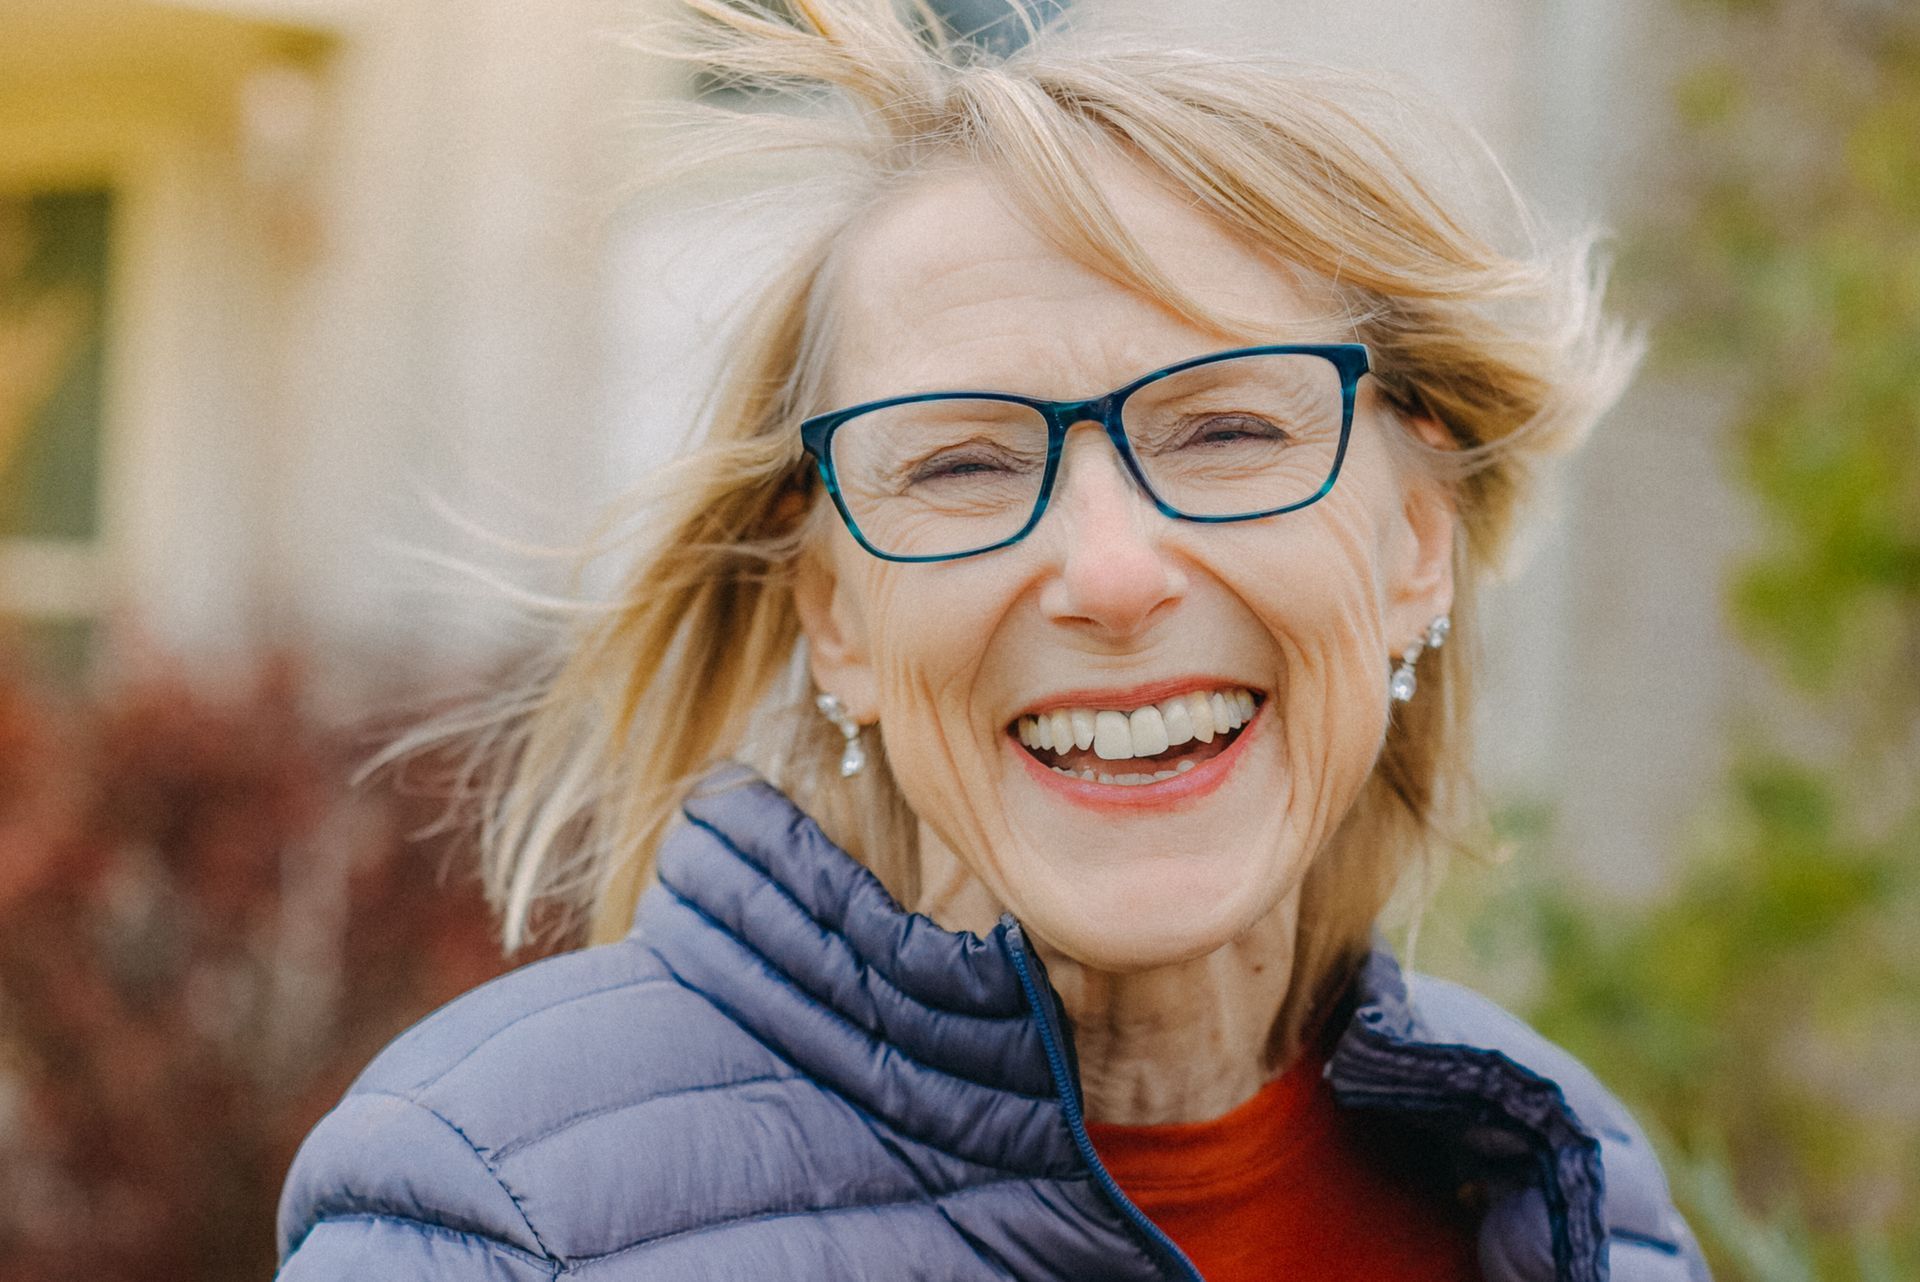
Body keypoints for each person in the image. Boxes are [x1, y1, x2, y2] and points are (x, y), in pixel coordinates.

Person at [275, 2, 1712, 1279]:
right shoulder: (492, 1211)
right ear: (832, 610)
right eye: (959, 464)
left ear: (1416, 542)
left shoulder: (1574, 1190)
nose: (1108, 572)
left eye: (1226, 429)